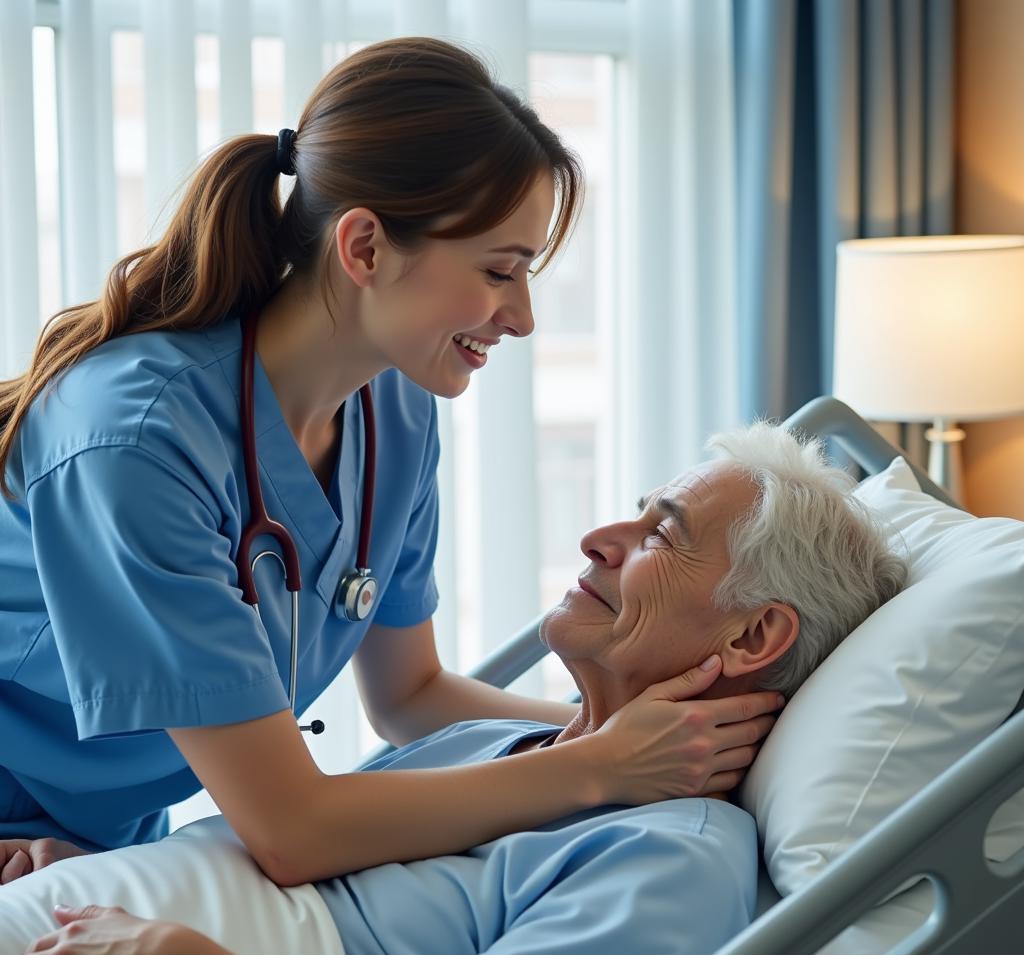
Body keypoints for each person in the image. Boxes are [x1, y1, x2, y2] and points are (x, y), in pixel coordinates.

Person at [0, 37, 786, 886]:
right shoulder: (136, 442)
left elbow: (410, 696)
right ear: (365, 247)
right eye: (500, 271)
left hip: (79, 838)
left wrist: (648, 740)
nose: (520, 319)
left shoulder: (393, 408)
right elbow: (291, 830)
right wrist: (603, 768)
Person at [0, 424, 909, 955]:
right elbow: (297, 867)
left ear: (756, 636)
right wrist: (102, 878)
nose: (600, 537)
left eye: (660, 536)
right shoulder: (496, 751)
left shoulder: (674, 854)